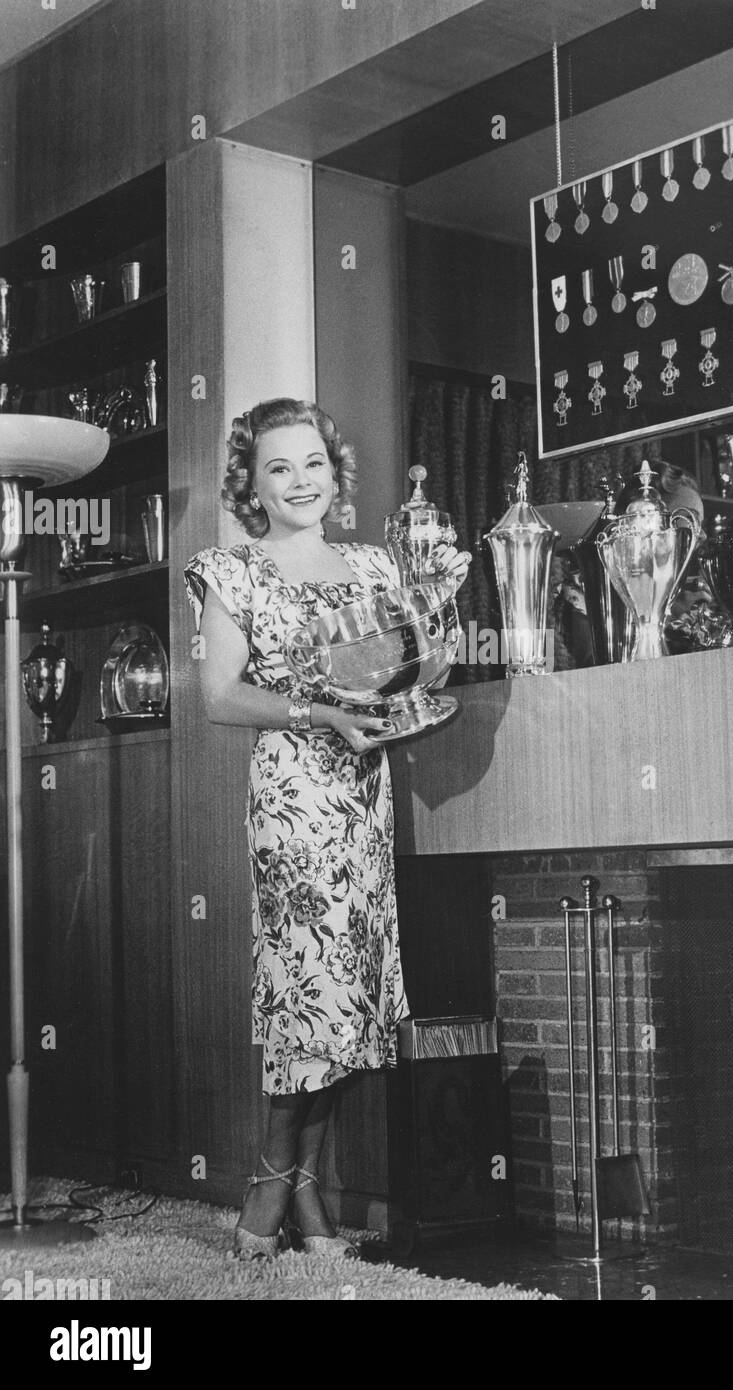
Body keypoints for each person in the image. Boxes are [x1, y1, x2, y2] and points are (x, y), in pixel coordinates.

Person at [183, 398, 469, 1260]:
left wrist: (440, 613)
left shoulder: (374, 563)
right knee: (305, 987)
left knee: (353, 996)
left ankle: (306, 1194)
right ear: (252, 485)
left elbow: (418, 666)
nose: (300, 480)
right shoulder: (229, 571)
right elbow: (220, 697)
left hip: (363, 795)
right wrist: (319, 715)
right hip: (295, 796)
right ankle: (272, 1178)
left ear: (333, 474)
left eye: (312, 463)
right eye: (279, 467)